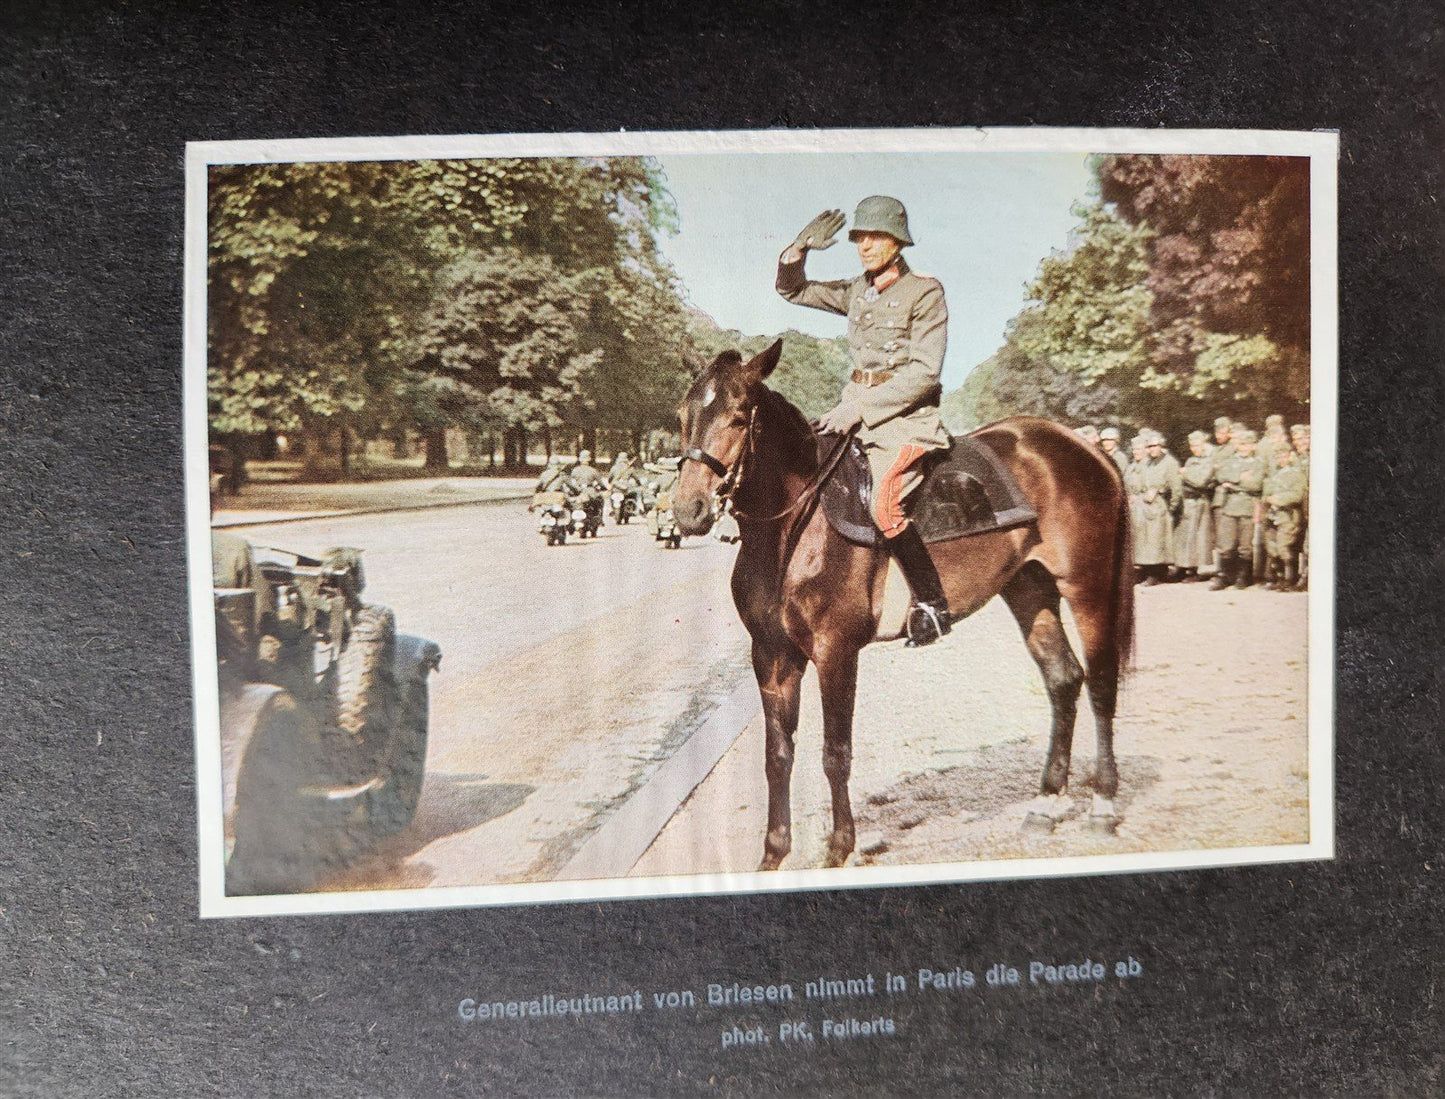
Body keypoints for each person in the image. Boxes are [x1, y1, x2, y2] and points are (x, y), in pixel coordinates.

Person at [777, 197, 952, 646]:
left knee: (883, 504)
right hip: (850, 404)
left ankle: (933, 604)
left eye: (875, 236)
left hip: (903, 418)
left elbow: (925, 372)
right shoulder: (857, 290)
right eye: (859, 237)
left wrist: (862, 408)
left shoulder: (924, 292)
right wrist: (797, 251)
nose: (865, 245)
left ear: (898, 241)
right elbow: (794, 290)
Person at [1211, 428, 1268, 590]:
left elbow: (1256, 484)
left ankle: (1244, 576)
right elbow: (1221, 476)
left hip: (1247, 506)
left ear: (1253, 446)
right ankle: (1225, 576)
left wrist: (1232, 484)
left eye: (1247, 444)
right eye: (1241, 444)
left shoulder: (1258, 463)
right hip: (1229, 506)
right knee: (1226, 543)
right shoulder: (1230, 460)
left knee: (1245, 545)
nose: (1243, 447)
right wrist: (1240, 478)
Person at [1129, 431, 1182, 585]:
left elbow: (1176, 489)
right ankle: (1145, 572)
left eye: (1155, 446)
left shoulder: (1169, 463)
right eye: (1149, 446)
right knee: (1145, 540)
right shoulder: (1148, 463)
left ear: (1161, 446)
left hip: (1158, 506)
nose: (1152, 449)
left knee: (1155, 541)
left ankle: (1155, 574)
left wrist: (1170, 508)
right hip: (1144, 506)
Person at [1261, 444, 1307, 590]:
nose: (1280, 459)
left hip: (1288, 514)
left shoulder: (1296, 474)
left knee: (1284, 546)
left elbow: (1298, 494)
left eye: (1283, 456)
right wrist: (1267, 499)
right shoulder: (1273, 475)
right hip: (1272, 515)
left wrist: (1279, 499)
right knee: (1272, 547)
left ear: (1289, 457)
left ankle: (1289, 579)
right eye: (1277, 457)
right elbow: (1265, 493)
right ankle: (1278, 578)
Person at [1172, 430, 1216, 581]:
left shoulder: (1209, 461)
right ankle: (1182, 567)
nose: (1194, 448)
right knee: (1183, 536)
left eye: (1197, 445)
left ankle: (1194, 570)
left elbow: (1201, 481)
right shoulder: (1191, 460)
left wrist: (1184, 474)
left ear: (1204, 444)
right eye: (1192, 446)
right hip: (1187, 501)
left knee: (1196, 538)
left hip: (1199, 502)